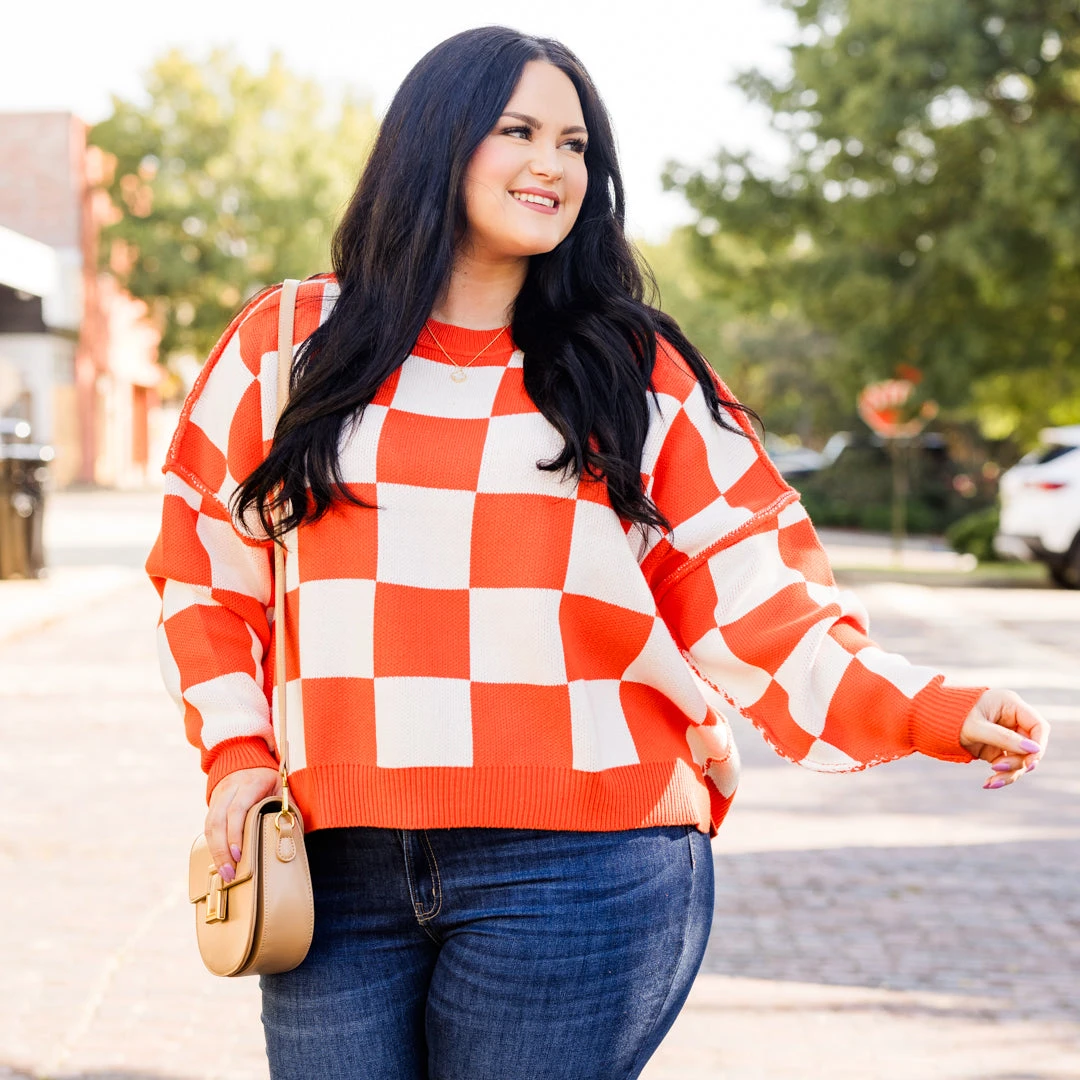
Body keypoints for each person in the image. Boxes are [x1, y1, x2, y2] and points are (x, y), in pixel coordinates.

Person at [146, 25, 1049, 1080]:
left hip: (583, 869)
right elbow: (205, 570)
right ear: (433, 143)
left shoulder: (632, 366)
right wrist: (239, 759)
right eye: (518, 130)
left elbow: (755, 591)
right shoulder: (290, 342)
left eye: (576, 144)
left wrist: (928, 707)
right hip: (330, 864)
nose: (554, 165)